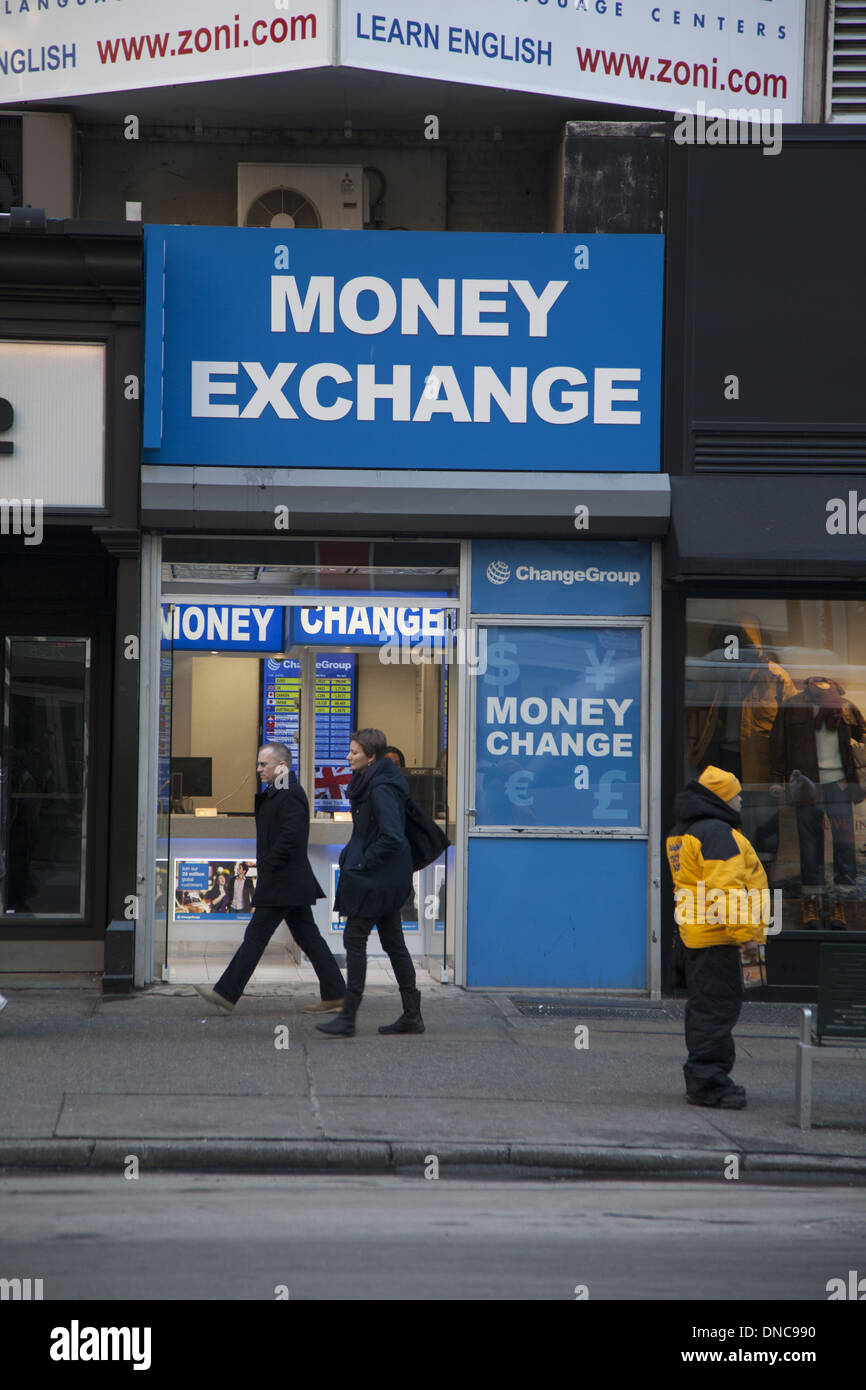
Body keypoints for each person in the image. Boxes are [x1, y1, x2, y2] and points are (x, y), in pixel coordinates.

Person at [195, 743, 346, 1014]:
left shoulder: (289, 794)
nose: (258, 769)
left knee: (256, 936)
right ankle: (336, 993)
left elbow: (291, 835)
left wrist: (268, 864)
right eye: (258, 764)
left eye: (263, 764)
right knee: (309, 937)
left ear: (281, 766)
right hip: (287, 880)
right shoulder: (279, 792)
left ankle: (226, 994)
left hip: (283, 881)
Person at [666, 765, 769, 1109]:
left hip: (699, 936)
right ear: (722, 798)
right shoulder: (716, 832)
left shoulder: (689, 831)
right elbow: (727, 890)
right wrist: (746, 937)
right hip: (721, 939)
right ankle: (708, 1083)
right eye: (736, 794)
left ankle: (705, 1078)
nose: (741, 800)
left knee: (707, 1010)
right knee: (715, 1012)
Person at [317, 727, 423, 1039]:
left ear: (371, 756)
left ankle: (349, 1017)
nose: (348, 757)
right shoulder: (374, 781)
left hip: (376, 878)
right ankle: (411, 1015)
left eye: (354, 752)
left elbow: (391, 835)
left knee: (355, 939)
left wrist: (363, 863)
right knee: (393, 944)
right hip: (383, 876)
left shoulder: (380, 787)